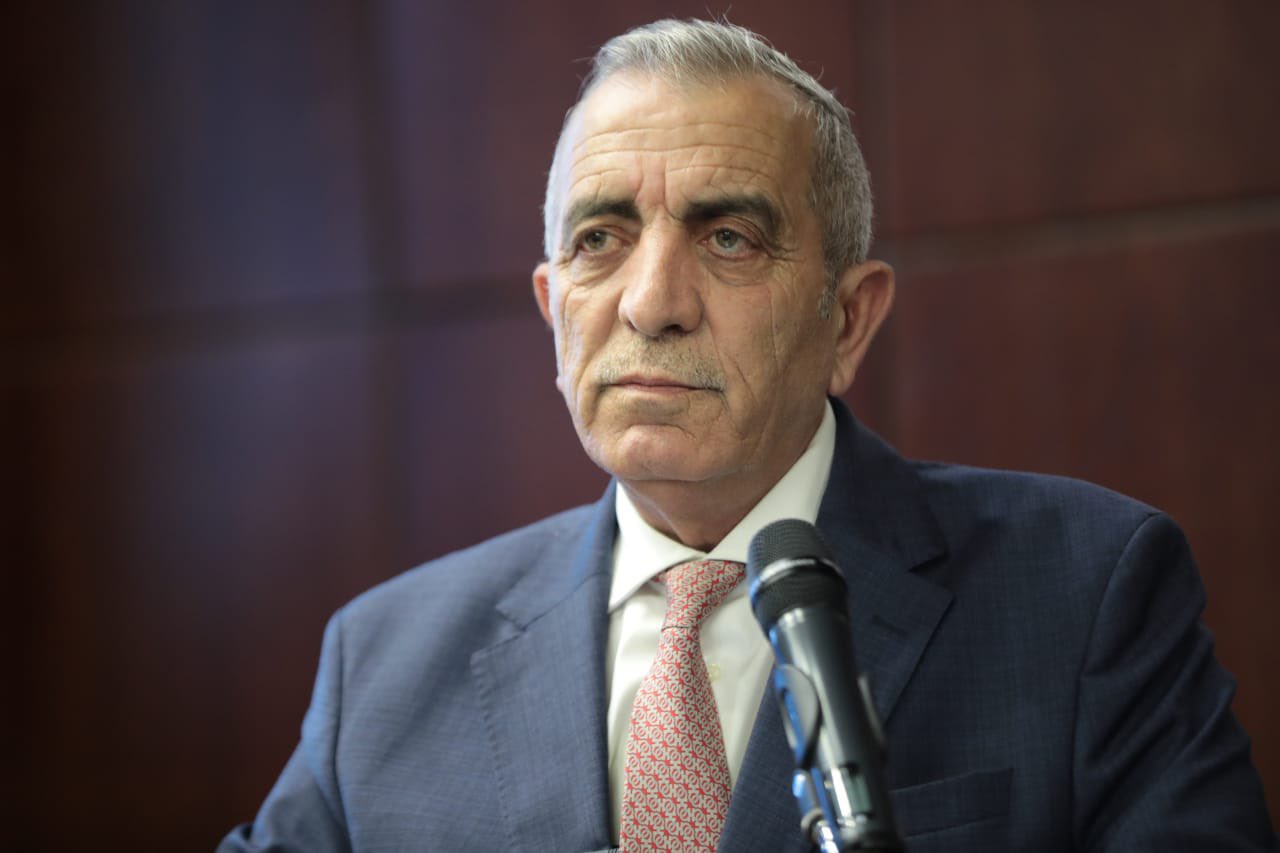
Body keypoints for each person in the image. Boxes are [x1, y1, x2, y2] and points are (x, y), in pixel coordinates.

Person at [221, 18, 1277, 852]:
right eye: (600, 238)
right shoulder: (385, 663)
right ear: (553, 308)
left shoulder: (1085, 590)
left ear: (847, 319)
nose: (651, 303)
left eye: (728, 238)